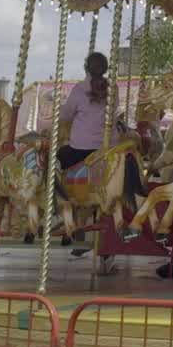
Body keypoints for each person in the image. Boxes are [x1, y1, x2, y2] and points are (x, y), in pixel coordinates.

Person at [59, 53, 111, 254]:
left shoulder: (79, 90)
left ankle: (61, 204)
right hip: (103, 149)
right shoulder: (111, 88)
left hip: (79, 149)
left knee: (52, 161)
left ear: (86, 68)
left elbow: (65, 115)